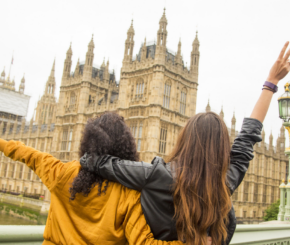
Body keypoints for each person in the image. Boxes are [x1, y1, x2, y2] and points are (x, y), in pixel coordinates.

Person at [81, 42, 290, 245]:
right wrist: (270, 83)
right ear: (222, 148)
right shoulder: (226, 181)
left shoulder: (156, 175)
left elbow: (101, 163)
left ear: (185, 139)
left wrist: (85, 157)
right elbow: (248, 136)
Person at [0, 112, 204, 245]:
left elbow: (25, 152)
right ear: (127, 149)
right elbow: (145, 243)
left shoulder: (62, 173)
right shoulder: (129, 195)